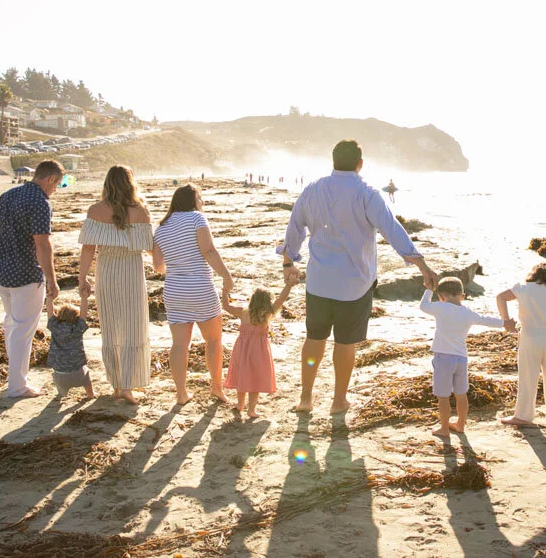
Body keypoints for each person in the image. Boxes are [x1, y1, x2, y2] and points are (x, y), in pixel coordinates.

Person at [280, 139, 438, 415]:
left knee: (314, 338)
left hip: (318, 281)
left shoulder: (313, 190)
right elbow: (392, 229)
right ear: (360, 163)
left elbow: (296, 225)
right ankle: (338, 401)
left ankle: (306, 398)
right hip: (354, 284)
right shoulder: (367, 193)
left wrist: (288, 260)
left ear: (333, 161)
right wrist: (422, 266)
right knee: (345, 343)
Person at [152, 184, 234, 405]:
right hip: (200, 288)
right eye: (200, 198)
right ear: (192, 200)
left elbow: (158, 266)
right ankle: (217, 388)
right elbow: (208, 251)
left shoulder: (161, 228)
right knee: (214, 340)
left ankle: (181, 394)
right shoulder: (197, 218)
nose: (202, 202)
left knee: (179, 345)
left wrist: (178, 266)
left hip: (174, 290)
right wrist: (226, 275)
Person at [78, 165, 153, 404]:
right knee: (133, 325)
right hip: (131, 269)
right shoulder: (140, 210)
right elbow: (149, 247)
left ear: (107, 184)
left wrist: (82, 277)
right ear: (130, 183)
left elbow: (88, 248)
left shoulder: (95, 210)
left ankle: (117, 383)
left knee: (110, 327)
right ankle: (128, 386)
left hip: (107, 269)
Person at [0, 159, 63, 398]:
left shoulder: (8, 195)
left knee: (12, 324)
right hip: (27, 273)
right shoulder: (40, 202)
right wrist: (51, 279)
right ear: (50, 178)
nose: (55, 190)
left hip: (3, 271)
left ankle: (16, 380)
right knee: (22, 330)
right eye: (57, 185)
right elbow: (42, 243)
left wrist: (2, 254)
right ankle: (17, 386)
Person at [419, 277, 508, 437]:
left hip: (443, 358)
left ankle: (444, 428)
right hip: (461, 358)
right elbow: (486, 320)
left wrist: (428, 290)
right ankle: (460, 425)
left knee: (443, 396)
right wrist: (505, 323)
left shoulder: (440, 307)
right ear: (462, 296)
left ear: (441, 296)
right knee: (461, 394)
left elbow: (423, 306)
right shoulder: (468, 313)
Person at [497, 263, 546, 427]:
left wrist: (506, 319)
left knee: (527, 374)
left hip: (530, 335)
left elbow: (500, 297)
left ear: (534, 274)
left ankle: (523, 415)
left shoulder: (523, 287)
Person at [222, 282, 293, 418]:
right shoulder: (266, 315)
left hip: (242, 349)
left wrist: (225, 291)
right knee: (254, 378)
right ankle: (251, 410)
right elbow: (281, 299)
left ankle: (240, 404)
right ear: (267, 302)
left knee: (242, 375)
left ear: (252, 299)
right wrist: (288, 285)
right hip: (258, 352)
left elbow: (226, 306)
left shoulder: (243, 312)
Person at [46, 300, 94, 399]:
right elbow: (84, 314)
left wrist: (50, 299)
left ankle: (62, 393)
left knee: (56, 374)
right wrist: (84, 298)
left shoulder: (54, 326)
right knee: (86, 372)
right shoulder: (78, 328)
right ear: (77, 317)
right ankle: (90, 394)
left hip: (60, 377)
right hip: (79, 375)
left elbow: (50, 312)